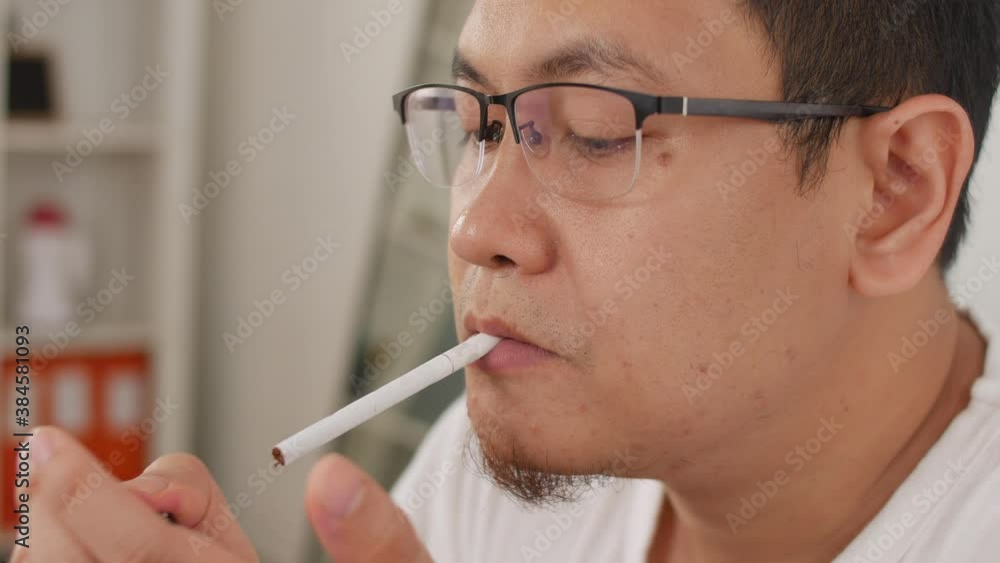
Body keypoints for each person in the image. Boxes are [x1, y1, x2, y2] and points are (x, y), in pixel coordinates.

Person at [19, 0, 1000, 561]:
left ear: (895, 190)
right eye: (478, 124)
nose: (474, 227)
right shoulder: (498, 475)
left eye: (596, 130)